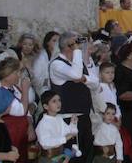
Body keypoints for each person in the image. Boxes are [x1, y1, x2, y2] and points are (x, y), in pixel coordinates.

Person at [49, 33, 96, 163]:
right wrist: (76, 50)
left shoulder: (78, 62)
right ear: (67, 45)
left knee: (87, 155)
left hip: (85, 115)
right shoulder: (57, 64)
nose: (79, 45)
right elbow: (76, 75)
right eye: (75, 42)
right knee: (73, 157)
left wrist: (85, 79)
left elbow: (95, 82)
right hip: (69, 118)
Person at [0, 58, 33, 163]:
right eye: (16, 72)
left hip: (21, 134)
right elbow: (22, 110)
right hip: (11, 136)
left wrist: (29, 126)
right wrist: (25, 89)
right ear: (8, 76)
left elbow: (27, 111)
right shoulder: (1, 94)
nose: (19, 75)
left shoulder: (15, 88)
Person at [35, 91, 79, 163]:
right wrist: (65, 138)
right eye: (54, 101)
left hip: (60, 157)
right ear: (46, 106)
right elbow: (45, 143)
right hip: (48, 159)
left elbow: (70, 132)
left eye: (59, 100)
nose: (58, 103)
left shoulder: (58, 118)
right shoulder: (43, 123)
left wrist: (73, 122)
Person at [112, 44, 132, 145]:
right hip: (128, 115)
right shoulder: (121, 71)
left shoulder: (131, 70)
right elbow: (122, 94)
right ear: (128, 56)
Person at [31, 32, 59, 98]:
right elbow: (36, 76)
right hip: (43, 88)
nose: (57, 43)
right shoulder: (41, 57)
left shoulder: (59, 55)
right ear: (47, 42)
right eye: (54, 41)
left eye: (58, 41)